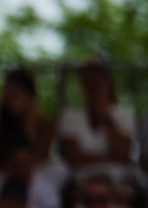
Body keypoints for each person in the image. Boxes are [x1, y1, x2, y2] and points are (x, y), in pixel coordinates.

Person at [55, 57, 136, 188]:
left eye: (96, 83)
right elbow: (72, 158)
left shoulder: (124, 115)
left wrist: (105, 117)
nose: (92, 89)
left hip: (116, 183)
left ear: (107, 84)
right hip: (80, 183)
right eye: (87, 84)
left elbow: (121, 151)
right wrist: (112, 159)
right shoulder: (70, 116)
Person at [0, 67, 55, 173]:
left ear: (30, 97)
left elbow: (38, 161)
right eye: (6, 97)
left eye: (15, 96)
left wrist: (29, 126)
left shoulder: (46, 126)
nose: (10, 103)